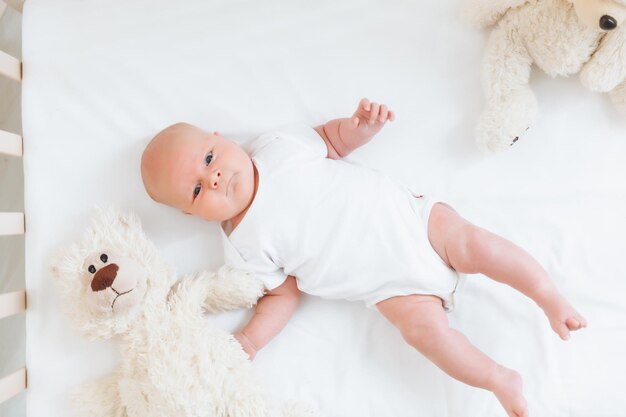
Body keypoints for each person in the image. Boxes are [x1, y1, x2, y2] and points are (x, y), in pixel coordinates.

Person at [141, 98, 586, 417]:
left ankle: (547, 295)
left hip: (415, 223)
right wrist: (252, 341)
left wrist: (361, 128)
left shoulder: (275, 148)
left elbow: (332, 141)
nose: (215, 177)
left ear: (221, 140)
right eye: (197, 189)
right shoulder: (241, 246)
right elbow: (281, 298)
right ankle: (498, 379)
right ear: (190, 213)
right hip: (391, 288)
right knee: (424, 334)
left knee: (477, 246)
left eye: (209, 158)